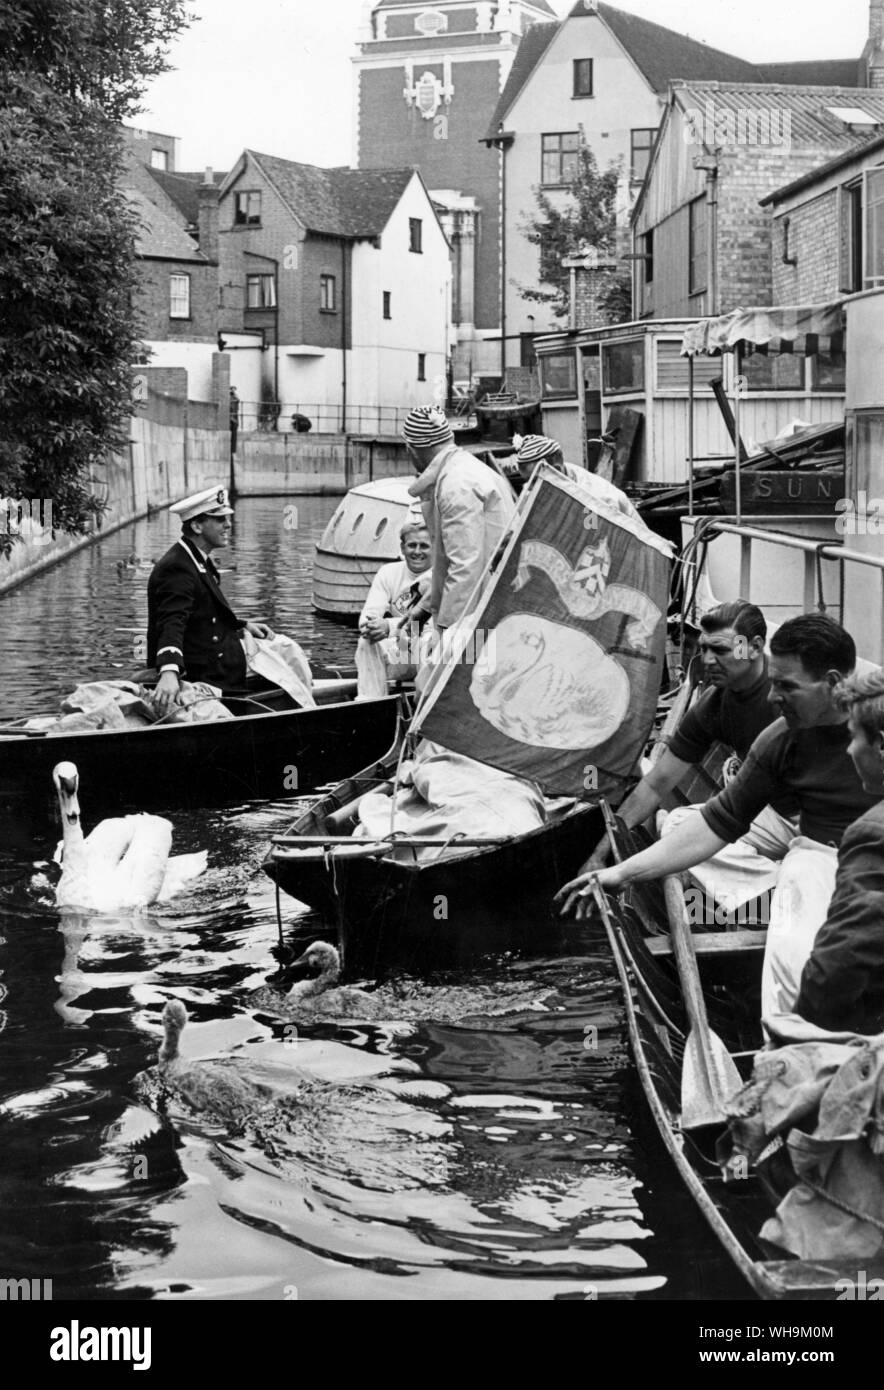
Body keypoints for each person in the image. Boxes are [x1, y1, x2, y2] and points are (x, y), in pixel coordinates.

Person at [556, 614, 881, 1017]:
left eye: (786, 687)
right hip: (818, 856)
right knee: (794, 963)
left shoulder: (873, 728)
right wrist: (621, 872)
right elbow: (717, 821)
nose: (772, 698)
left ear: (833, 683)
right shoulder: (779, 739)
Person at [581, 599, 797, 876]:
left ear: (754, 647)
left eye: (720, 650)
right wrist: (601, 854)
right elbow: (656, 784)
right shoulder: (713, 705)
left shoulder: (790, 693)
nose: (707, 660)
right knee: (676, 826)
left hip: (821, 819)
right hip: (773, 813)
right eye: (703, 649)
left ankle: (786, 885)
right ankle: (771, 891)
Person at [791, 668, 884, 1034]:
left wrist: (798, 1038)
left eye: (853, 738)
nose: (848, 750)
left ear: (879, 745)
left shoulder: (871, 833)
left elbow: (835, 968)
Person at [147, 487, 272, 715]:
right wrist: (169, 671)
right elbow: (172, 621)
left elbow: (205, 615)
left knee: (280, 649)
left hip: (215, 660)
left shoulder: (195, 559)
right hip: (206, 672)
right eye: (219, 519)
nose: (228, 525)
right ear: (196, 526)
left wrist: (241, 626)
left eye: (227, 518)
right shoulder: (177, 567)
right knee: (284, 655)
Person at [404, 405, 515, 631]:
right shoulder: (472, 471)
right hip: (496, 608)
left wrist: (447, 632)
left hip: (476, 620)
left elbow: (465, 566)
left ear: (412, 448)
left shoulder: (456, 486)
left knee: (465, 663)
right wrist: (424, 608)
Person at [355, 519, 433, 698]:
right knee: (366, 640)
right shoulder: (388, 572)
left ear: (435, 547)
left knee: (429, 638)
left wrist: (389, 627)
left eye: (424, 546)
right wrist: (374, 627)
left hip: (430, 651)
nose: (417, 551)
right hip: (402, 653)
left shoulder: (441, 576)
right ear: (403, 547)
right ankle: (369, 703)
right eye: (412, 545)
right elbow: (366, 619)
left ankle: (424, 705)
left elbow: (432, 625)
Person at [506, 434, 641, 523]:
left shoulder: (598, 499)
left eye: (534, 481)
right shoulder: (532, 492)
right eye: (526, 481)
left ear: (556, 471)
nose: (528, 487)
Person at [229, 387, 240, 454]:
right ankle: (232, 450)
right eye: (232, 389)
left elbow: (238, 400)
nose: (233, 391)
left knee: (234, 435)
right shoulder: (229, 398)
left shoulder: (235, 398)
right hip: (231, 418)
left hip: (234, 419)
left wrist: (234, 393)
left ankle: (233, 450)